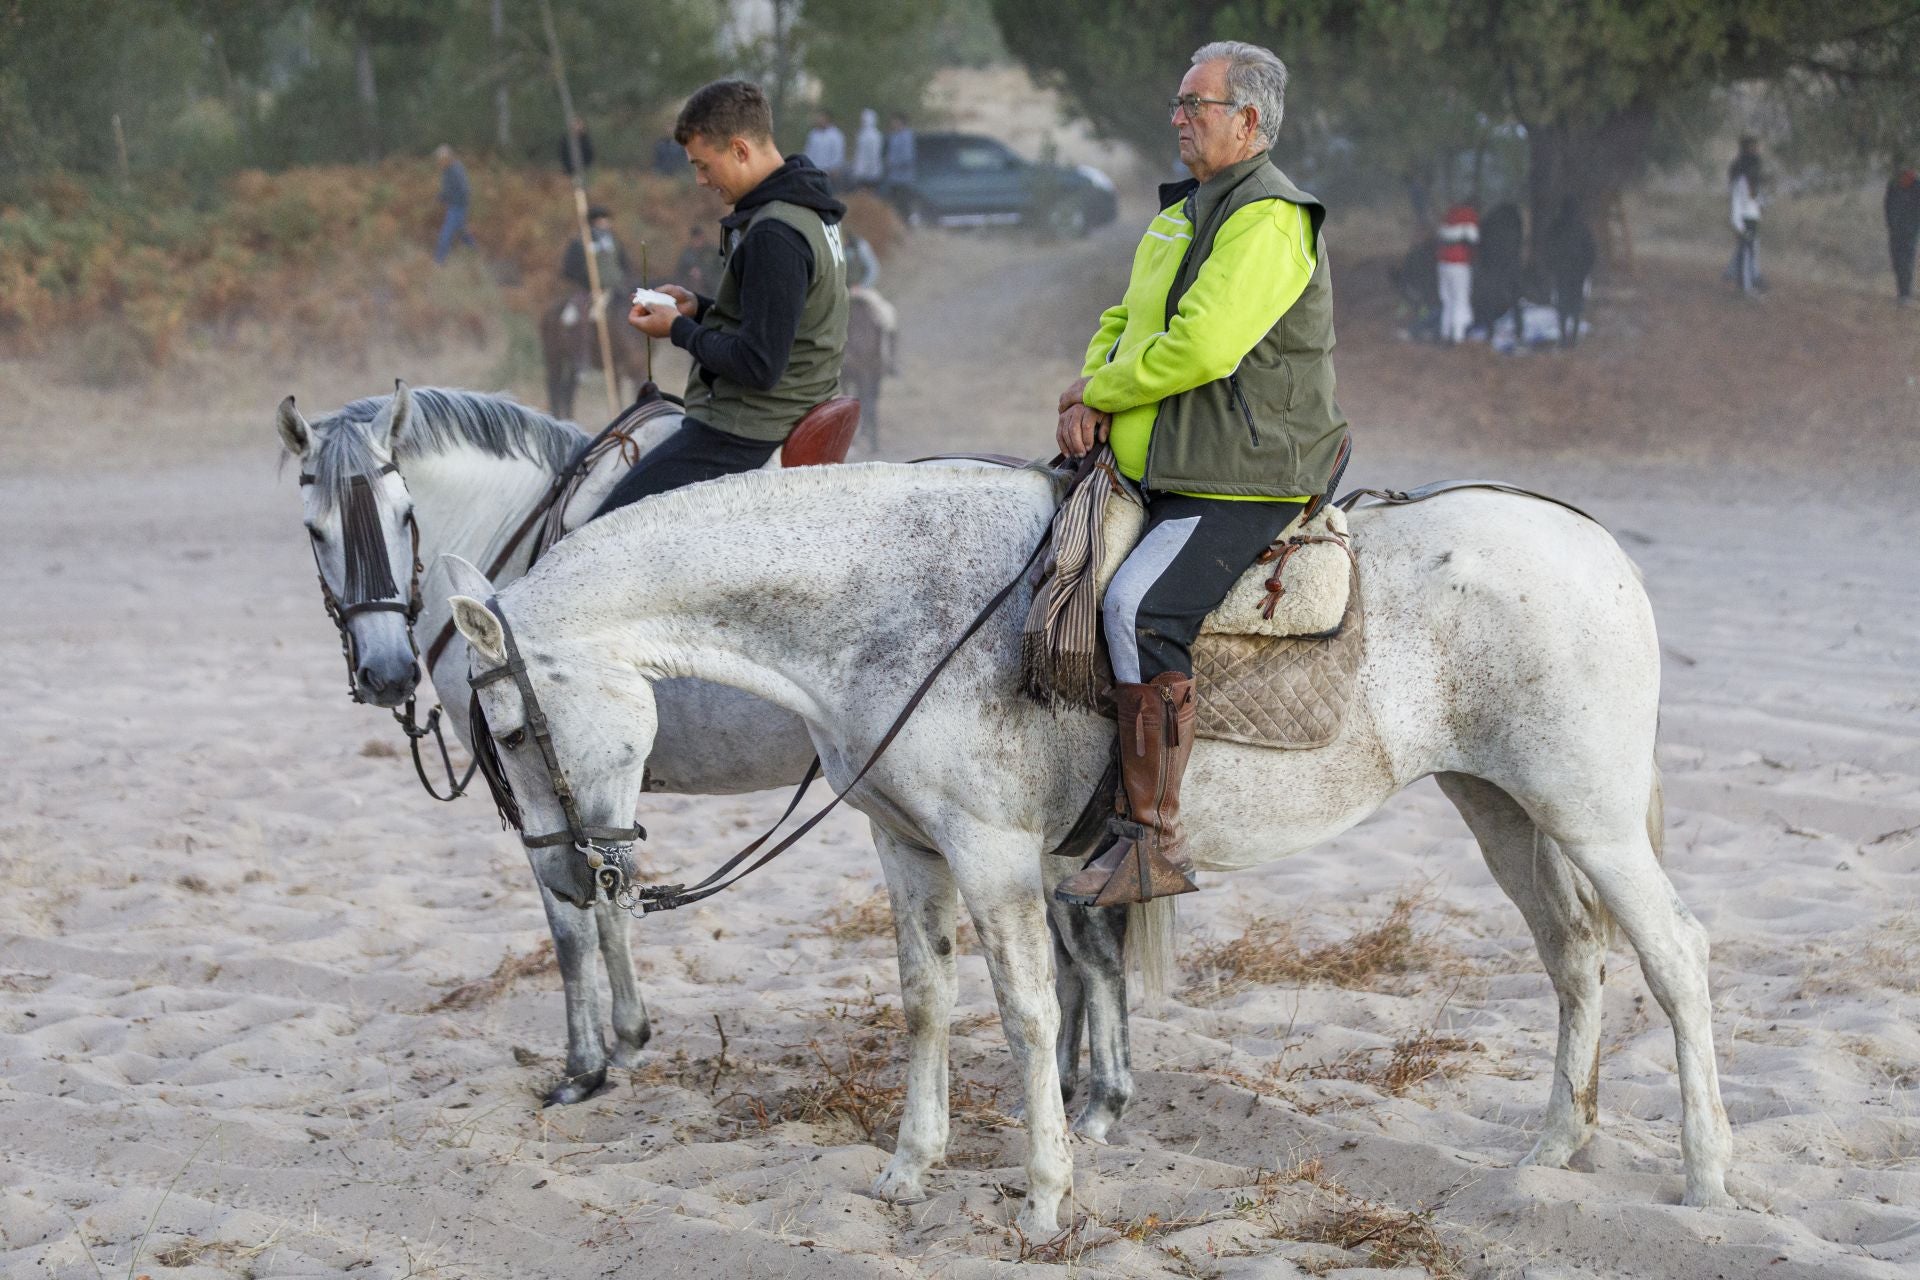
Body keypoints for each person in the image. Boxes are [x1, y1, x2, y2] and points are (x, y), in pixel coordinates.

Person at [1052, 40, 1349, 908]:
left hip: (1242, 471)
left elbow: (1205, 347)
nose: (1178, 119)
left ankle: (1151, 838)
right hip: (1168, 461)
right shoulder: (1185, 209)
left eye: (1196, 105)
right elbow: (1125, 316)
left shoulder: (1270, 217)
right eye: (1179, 104)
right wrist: (1090, 393)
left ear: (1248, 121)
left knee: (1138, 606)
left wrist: (1100, 388)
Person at [599, 79, 848, 515]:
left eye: (704, 165)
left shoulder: (775, 233)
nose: (699, 180)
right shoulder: (806, 209)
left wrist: (677, 329)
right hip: (784, 408)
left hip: (746, 431)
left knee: (600, 535)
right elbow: (786, 321)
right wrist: (701, 307)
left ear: (739, 149)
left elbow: (759, 364)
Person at [559, 206, 632, 294]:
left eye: (606, 220)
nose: (604, 223)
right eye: (600, 220)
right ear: (593, 222)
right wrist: (585, 282)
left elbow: (624, 263)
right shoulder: (580, 242)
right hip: (589, 291)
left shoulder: (614, 240)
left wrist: (623, 279)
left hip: (616, 289)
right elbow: (569, 268)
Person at [1435, 200, 1477, 343]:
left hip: (1442, 263)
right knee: (1460, 298)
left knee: (1447, 300)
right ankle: (1458, 336)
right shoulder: (1469, 216)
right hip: (1459, 263)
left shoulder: (1450, 214)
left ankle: (1445, 332)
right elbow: (1473, 238)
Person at [1728, 136, 1764, 296]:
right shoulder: (1741, 178)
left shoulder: (1753, 176)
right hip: (1744, 219)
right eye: (1753, 147)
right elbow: (1737, 203)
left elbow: (1757, 199)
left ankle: (1750, 280)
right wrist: (1738, 225)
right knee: (1746, 252)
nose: (1756, 150)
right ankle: (1746, 287)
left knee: (1750, 250)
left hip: (1752, 217)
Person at [433, 145, 477, 264]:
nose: (439, 162)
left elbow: (464, 189)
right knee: (462, 232)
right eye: (439, 160)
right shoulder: (447, 170)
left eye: (441, 159)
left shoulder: (456, 170)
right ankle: (474, 251)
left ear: (448, 157)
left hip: (458, 207)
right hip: (454, 206)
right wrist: (440, 197)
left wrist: (455, 202)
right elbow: (448, 189)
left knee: (446, 232)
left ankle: (439, 261)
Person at [1886, 159, 1919, 307]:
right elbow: (1887, 206)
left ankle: (1905, 294)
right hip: (1896, 230)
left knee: (1907, 262)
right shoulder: (1893, 185)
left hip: (1911, 231)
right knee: (1897, 261)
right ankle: (1902, 292)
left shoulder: (1917, 187)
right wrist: (1892, 225)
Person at [883, 113, 917, 216]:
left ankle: (906, 228)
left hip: (904, 179)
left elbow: (907, 158)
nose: (893, 124)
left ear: (901, 122)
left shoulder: (907, 136)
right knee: (895, 206)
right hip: (893, 178)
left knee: (904, 206)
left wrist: (892, 163)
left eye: (895, 121)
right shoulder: (894, 136)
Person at [804, 109, 847, 188]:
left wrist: (836, 168)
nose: (819, 120)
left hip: (829, 172)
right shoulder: (813, 134)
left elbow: (838, 153)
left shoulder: (836, 135)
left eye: (822, 117)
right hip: (815, 170)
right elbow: (809, 151)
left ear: (828, 119)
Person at [672, 222, 716, 295]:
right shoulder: (686, 254)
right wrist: (690, 273)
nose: (698, 241)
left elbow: (717, 271)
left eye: (700, 238)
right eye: (696, 239)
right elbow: (679, 273)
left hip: (709, 288)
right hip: (690, 287)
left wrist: (703, 273)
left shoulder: (711, 253)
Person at [850, 108, 884, 190]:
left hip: (871, 170)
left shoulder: (876, 135)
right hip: (861, 169)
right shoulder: (861, 134)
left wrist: (868, 167)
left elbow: (875, 154)